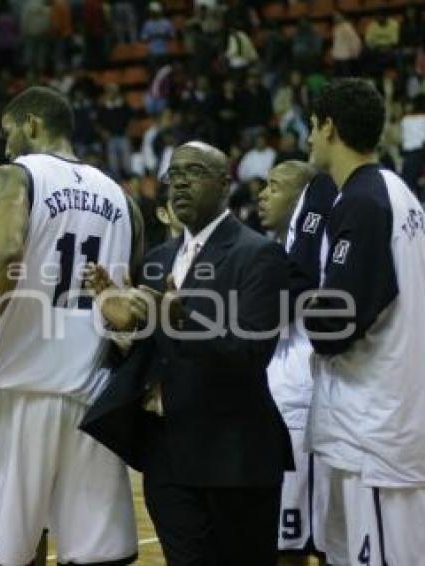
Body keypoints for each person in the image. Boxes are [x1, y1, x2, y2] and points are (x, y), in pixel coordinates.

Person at [0, 86, 142, 565]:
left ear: (32, 124)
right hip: (93, 396)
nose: (6, 145)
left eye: (8, 133)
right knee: (99, 556)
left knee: (3, 552)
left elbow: (9, 251)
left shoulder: (13, 177)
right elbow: (129, 304)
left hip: (19, 391)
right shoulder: (123, 199)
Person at [81, 141, 293, 565]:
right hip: (166, 454)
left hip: (233, 455)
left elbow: (252, 352)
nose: (178, 183)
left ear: (224, 183)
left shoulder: (259, 254)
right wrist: (121, 327)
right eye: (173, 174)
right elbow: (149, 354)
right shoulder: (159, 259)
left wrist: (181, 322)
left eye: (193, 172)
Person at [304, 78, 425, 566]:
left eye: (313, 129)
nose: (309, 140)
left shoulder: (362, 202)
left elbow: (334, 324)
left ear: (330, 128)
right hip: (376, 422)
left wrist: (294, 304)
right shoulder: (401, 197)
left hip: (374, 428)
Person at [258, 162, 336, 566]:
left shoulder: (309, 251)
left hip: (300, 404)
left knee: (296, 545)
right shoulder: (287, 248)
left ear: (302, 196)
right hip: (284, 401)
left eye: (274, 186)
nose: (262, 194)